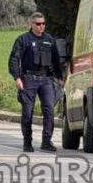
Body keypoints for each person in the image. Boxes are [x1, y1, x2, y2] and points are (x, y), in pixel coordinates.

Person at [8, 12, 64, 153]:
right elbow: (14, 59)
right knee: (27, 112)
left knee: (49, 110)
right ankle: (27, 142)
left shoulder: (49, 40)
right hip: (28, 79)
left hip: (46, 79)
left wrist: (60, 78)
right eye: (38, 24)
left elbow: (56, 60)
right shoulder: (23, 40)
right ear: (32, 24)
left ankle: (46, 141)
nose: (41, 26)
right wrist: (17, 78)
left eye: (43, 24)